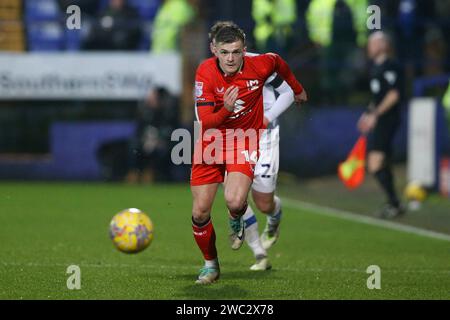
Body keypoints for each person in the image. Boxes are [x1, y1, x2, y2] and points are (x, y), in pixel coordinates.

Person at [191, 23, 307, 284]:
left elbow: (279, 63)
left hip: (245, 140)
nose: (230, 58)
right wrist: (227, 110)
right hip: (211, 140)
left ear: (244, 49)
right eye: (224, 52)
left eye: (235, 52)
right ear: (214, 50)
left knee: (238, 201)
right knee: (200, 212)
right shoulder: (205, 72)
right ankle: (211, 265)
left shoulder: (261, 64)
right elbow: (205, 121)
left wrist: (297, 89)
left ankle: (239, 219)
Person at [357, 31, 404, 218]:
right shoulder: (375, 68)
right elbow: (378, 98)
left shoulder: (391, 66)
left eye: (373, 44)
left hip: (388, 120)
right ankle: (394, 203)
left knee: (375, 164)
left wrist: (375, 114)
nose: (369, 47)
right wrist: (367, 114)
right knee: (382, 163)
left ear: (383, 45)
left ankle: (395, 203)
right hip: (380, 119)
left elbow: (393, 95)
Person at [126, 86, 179, 183]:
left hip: (162, 144)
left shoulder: (169, 114)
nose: (150, 99)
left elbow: (173, 132)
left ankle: (152, 174)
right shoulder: (145, 113)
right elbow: (138, 131)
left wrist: (159, 141)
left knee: (162, 150)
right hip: (145, 142)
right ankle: (134, 173)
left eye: (154, 97)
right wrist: (145, 140)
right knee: (134, 147)